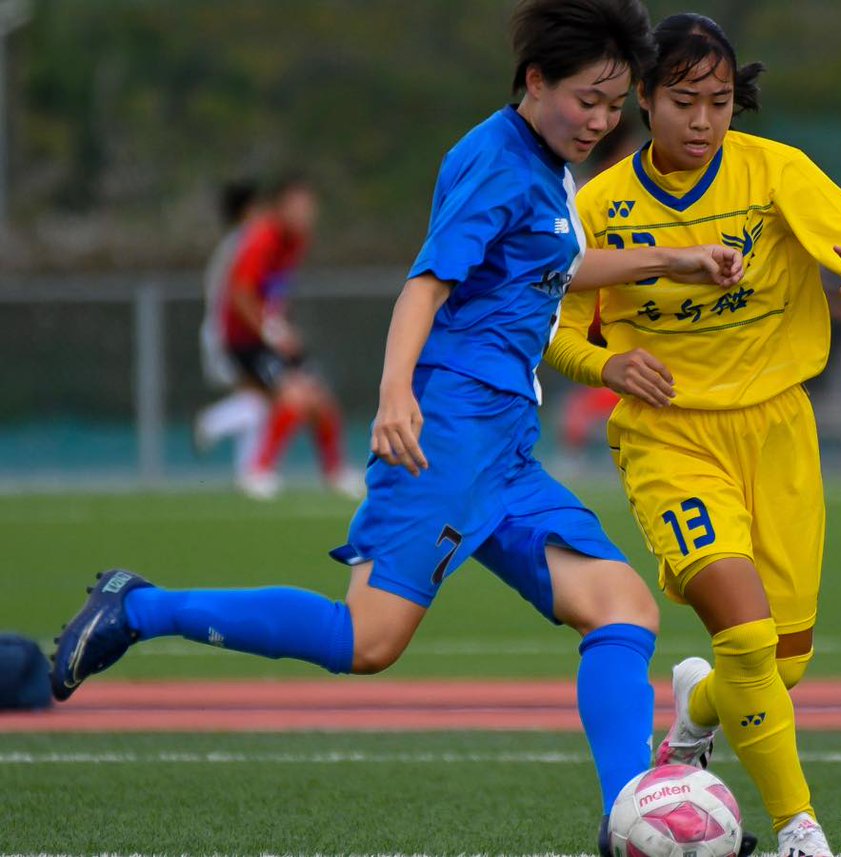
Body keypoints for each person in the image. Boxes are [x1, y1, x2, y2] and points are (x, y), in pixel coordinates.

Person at [49, 2, 746, 853]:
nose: (602, 122)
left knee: (621, 607)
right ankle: (140, 608)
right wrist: (393, 394)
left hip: (502, 445)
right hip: (448, 434)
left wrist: (675, 258)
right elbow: (425, 284)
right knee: (366, 640)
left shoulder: (542, 162)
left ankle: (624, 822)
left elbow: (556, 263)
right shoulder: (498, 162)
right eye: (586, 101)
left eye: (614, 105)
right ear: (534, 82)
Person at [545, 14, 841, 857]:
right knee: (744, 633)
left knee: (778, 667)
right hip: (670, 439)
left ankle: (698, 707)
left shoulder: (775, 171)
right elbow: (548, 327)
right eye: (683, 102)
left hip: (780, 430)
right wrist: (606, 370)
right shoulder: (599, 208)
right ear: (644, 98)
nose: (704, 121)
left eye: (718, 102)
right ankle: (798, 827)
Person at [219, 174, 359, 499]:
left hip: (272, 336)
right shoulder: (262, 238)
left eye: (309, 207)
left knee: (322, 401)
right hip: (248, 342)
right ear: (279, 208)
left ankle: (335, 472)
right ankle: (258, 471)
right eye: (298, 207)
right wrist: (271, 330)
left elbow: (276, 290)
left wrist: (282, 324)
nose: (306, 214)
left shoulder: (297, 240)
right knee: (294, 399)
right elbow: (240, 294)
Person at [193, 180, 271, 480]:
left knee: (257, 400)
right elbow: (240, 295)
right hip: (228, 335)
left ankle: (249, 473)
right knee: (260, 400)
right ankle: (212, 423)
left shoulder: (235, 243)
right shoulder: (246, 244)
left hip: (229, 333)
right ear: (249, 209)